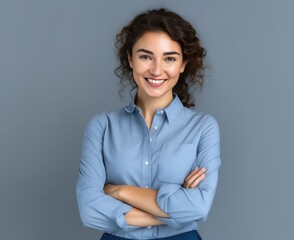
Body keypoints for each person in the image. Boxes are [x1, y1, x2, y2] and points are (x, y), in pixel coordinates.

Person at [76, 8, 221, 240]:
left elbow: (199, 207)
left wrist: (120, 191)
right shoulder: (102, 127)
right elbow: (89, 210)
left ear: (183, 64)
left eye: (170, 58)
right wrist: (178, 210)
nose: (156, 69)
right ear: (130, 59)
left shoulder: (203, 128)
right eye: (145, 56)